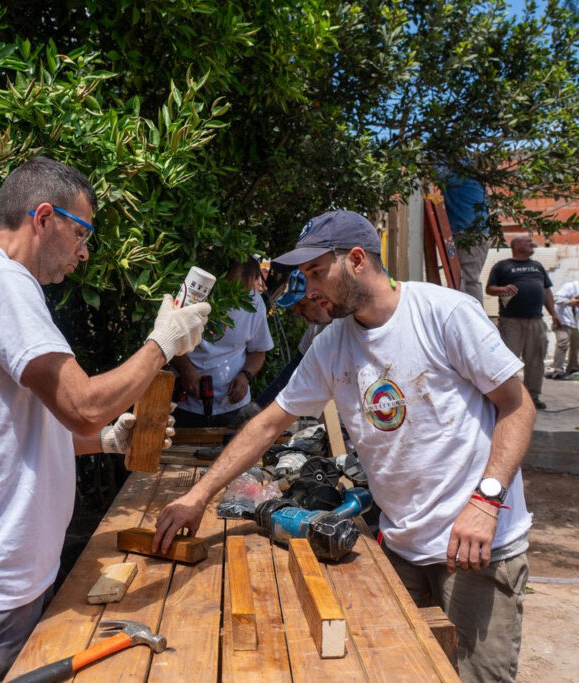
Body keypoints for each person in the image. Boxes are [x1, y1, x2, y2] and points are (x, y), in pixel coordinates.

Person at [155, 210, 535, 682]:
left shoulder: (444, 313)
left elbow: (518, 407)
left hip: (476, 544)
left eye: (316, 272)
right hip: (401, 544)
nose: (309, 287)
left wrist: (487, 499)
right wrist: (198, 497)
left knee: (477, 678)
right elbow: (268, 424)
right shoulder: (333, 344)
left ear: (357, 260)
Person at [0, 157, 211, 682]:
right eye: (81, 232)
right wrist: (163, 344)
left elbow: (14, 432)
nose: (84, 252)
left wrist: (108, 441)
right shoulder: (0, 281)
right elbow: (84, 404)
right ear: (43, 217)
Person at [171, 258, 274, 427]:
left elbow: (258, 351)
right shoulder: (193, 295)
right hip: (184, 406)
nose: (237, 296)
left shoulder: (254, 302)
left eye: (243, 290)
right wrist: (186, 370)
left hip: (233, 408)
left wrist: (245, 375)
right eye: (231, 288)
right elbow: (167, 339)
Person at [486, 234, 558, 410]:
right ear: (517, 246)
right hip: (511, 321)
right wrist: (503, 289)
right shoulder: (502, 266)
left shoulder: (537, 266)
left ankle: (533, 396)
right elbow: (489, 289)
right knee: (508, 361)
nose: (533, 244)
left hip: (536, 321)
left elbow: (546, 291)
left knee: (536, 359)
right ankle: (506, 397)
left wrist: (554, 314)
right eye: (528, 242)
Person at [251, 268, 333, 408]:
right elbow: (295, 368)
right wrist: (258, 405)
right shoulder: (315, 328)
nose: (297, 311)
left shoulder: (347, 326)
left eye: (302, 305)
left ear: (320, 299)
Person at [441, 170, 491, 303]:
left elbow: (436, 172)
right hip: (469, 232)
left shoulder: (460, 170)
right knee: (464, 279)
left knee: (469, 280)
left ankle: (472, 319)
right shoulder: (468, 170)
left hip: (470, 234)